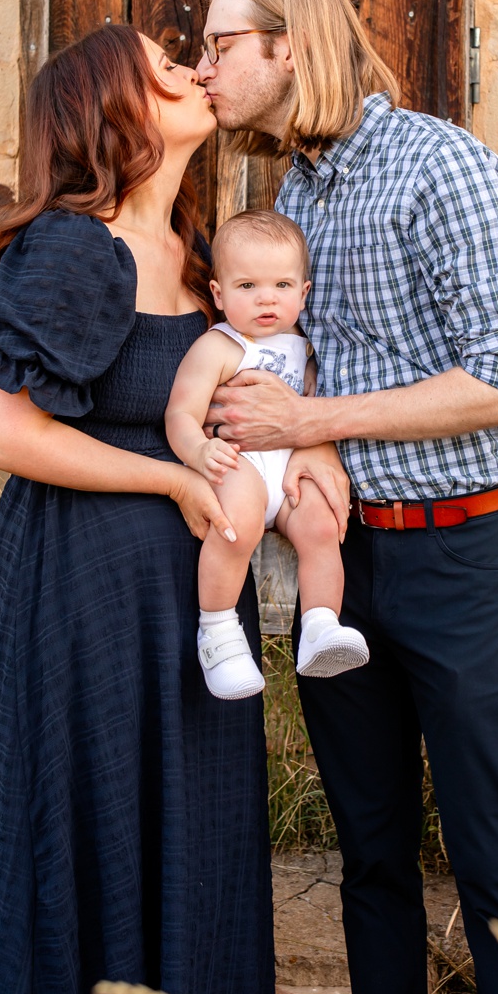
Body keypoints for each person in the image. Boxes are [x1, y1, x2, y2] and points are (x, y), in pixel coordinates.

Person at [193, 0, 498, 994]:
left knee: (495, 861)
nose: (207, 69)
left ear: (288, 46)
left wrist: (313, 421)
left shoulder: (444, 168)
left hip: (467, 558)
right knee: (368, 850)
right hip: (340, 564)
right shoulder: (290, 195)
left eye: (220, 45)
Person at [0, 24, 321, 994]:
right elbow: (1, 437)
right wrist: (169, 485)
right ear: (111, 108)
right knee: (69, 819)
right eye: (166, 68)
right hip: (76, 588)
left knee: (167, 821)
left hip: (191, 601)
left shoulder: (199, 254)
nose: (193, 71)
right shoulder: (74, 246)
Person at [163, 207, 368, 698]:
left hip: (292, 468)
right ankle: (218, 633)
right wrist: (198, 450)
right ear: (218, 293)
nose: (266, 300)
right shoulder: (220, 346)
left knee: (322, 526)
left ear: (304, 293)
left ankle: (321, 625)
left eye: (281, 286)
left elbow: (317, 407)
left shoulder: (309, 348)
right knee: (236, 527)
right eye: (247, 287)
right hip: (242, 463)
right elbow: (180, 414)